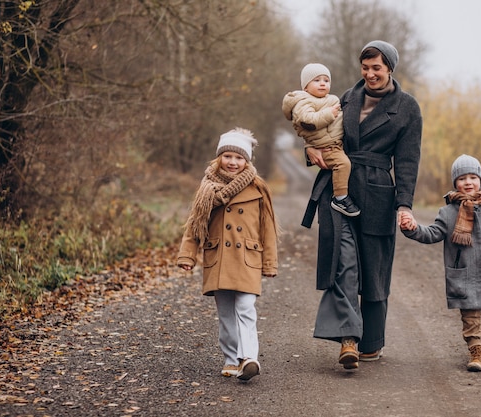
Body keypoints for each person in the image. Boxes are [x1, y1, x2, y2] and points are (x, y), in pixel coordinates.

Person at [301, 40, 422, 369]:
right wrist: (310, 153)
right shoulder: (346, 98)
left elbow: (408, 161)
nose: (370, 74)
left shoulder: (407, 107)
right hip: (337, 191)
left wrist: (404, 205)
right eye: (365, 67)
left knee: (374, 268)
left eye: (376, 68)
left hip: (379, 193)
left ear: (390, 69)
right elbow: (320, 132)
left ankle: (370, 340)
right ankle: (348, 339)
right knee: (343, 264)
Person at [399, 154, 481, 372]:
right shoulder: (448, 213)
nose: (468, 182)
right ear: (455, 182)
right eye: (462, 178)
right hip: (464, 275)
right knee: (471, 319)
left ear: (480, 180)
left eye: (473, 177)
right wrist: (413, 228)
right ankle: (476, 351)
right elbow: (432, 233)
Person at [177, 127, 278, 381]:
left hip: (247, 258)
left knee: (245, 307)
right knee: (225, 314)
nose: (233, 162)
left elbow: (268, 228)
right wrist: (188, 255)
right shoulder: (207, 188)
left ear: (247, 161)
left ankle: (249, 357)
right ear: (219, 157)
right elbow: (194, 224)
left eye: (239, 157)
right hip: (218, 257)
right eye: (228, 156)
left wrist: (269, 262)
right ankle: (231, 358)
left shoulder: (258, 188)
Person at [282, 63, 360, 217]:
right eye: (317, 80)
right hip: (326, 147)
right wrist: (329, 114)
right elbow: (307, 121)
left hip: (335, 143)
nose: (323, 83)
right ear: (305, 86)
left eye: (326, 80)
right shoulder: (303, 101)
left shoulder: (329, 99)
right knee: (342, 164)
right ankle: (340, 198)